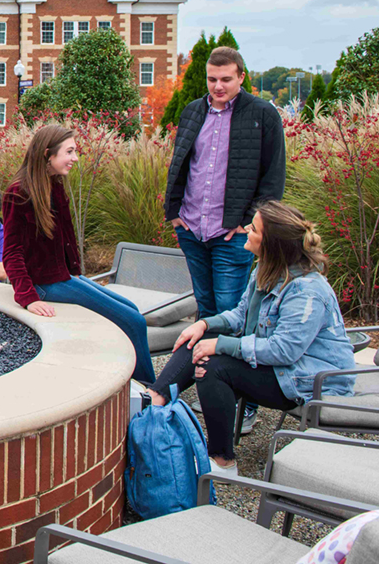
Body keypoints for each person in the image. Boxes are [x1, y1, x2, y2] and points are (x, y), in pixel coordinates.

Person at [143, 201, 354, 473]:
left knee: (211, 365)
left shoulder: (307, 291)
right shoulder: (266, 270)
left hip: (309, 382)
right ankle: (154, 399)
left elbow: (283, 351)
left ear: (271, 243)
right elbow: (240, 316)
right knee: (196, 341)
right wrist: (205, 325)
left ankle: (222, 460)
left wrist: (221, 344)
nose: (245, 230)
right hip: (280, 368)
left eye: (252, 229)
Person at [166, 46, 286, 430]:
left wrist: (249, 222)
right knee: (206, 315)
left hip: (232, 235)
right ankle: (213, 392)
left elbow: (273, 177)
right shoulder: (193, 112)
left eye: (226, 79)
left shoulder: (263, 115)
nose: (218, 86)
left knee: (234, 320)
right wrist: (174, 214)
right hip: (192, 230)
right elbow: (180, 164)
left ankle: (244, 406)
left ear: (241, 78)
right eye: (212, 79)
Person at [2, 125, 157, 383]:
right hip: (44, 285)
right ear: (47, 154)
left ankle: (137, 384)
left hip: (62, 277)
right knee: (133, 322)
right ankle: (150, 392)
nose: (75, 158)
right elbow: (11, 253)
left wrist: (75, 274)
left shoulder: (54, 184)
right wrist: (28, 297)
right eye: (70, 151)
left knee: (132, 310)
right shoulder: (19, 193)